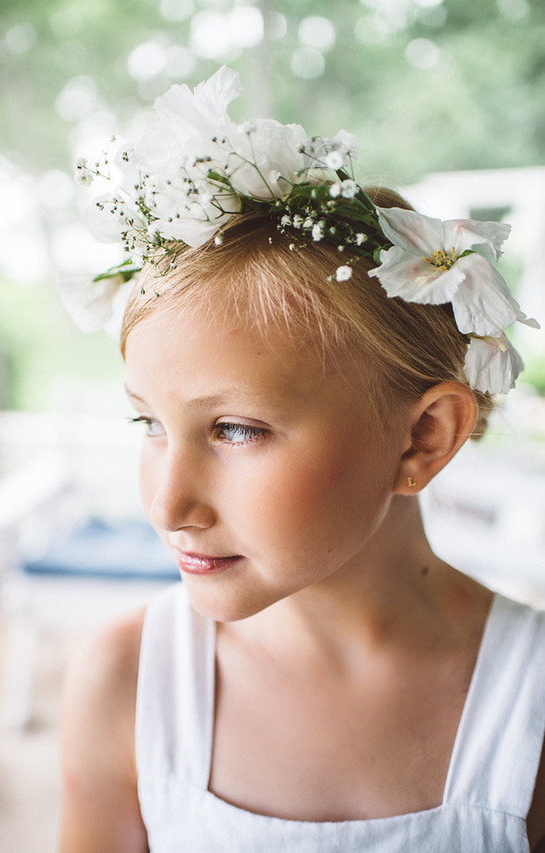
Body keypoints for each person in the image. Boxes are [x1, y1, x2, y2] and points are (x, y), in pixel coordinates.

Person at [60, 67, 545, 852]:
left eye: (237, 429)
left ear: (422, 440)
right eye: (147, 420)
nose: (167, 504)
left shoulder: (531, 706)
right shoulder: (125, 680)